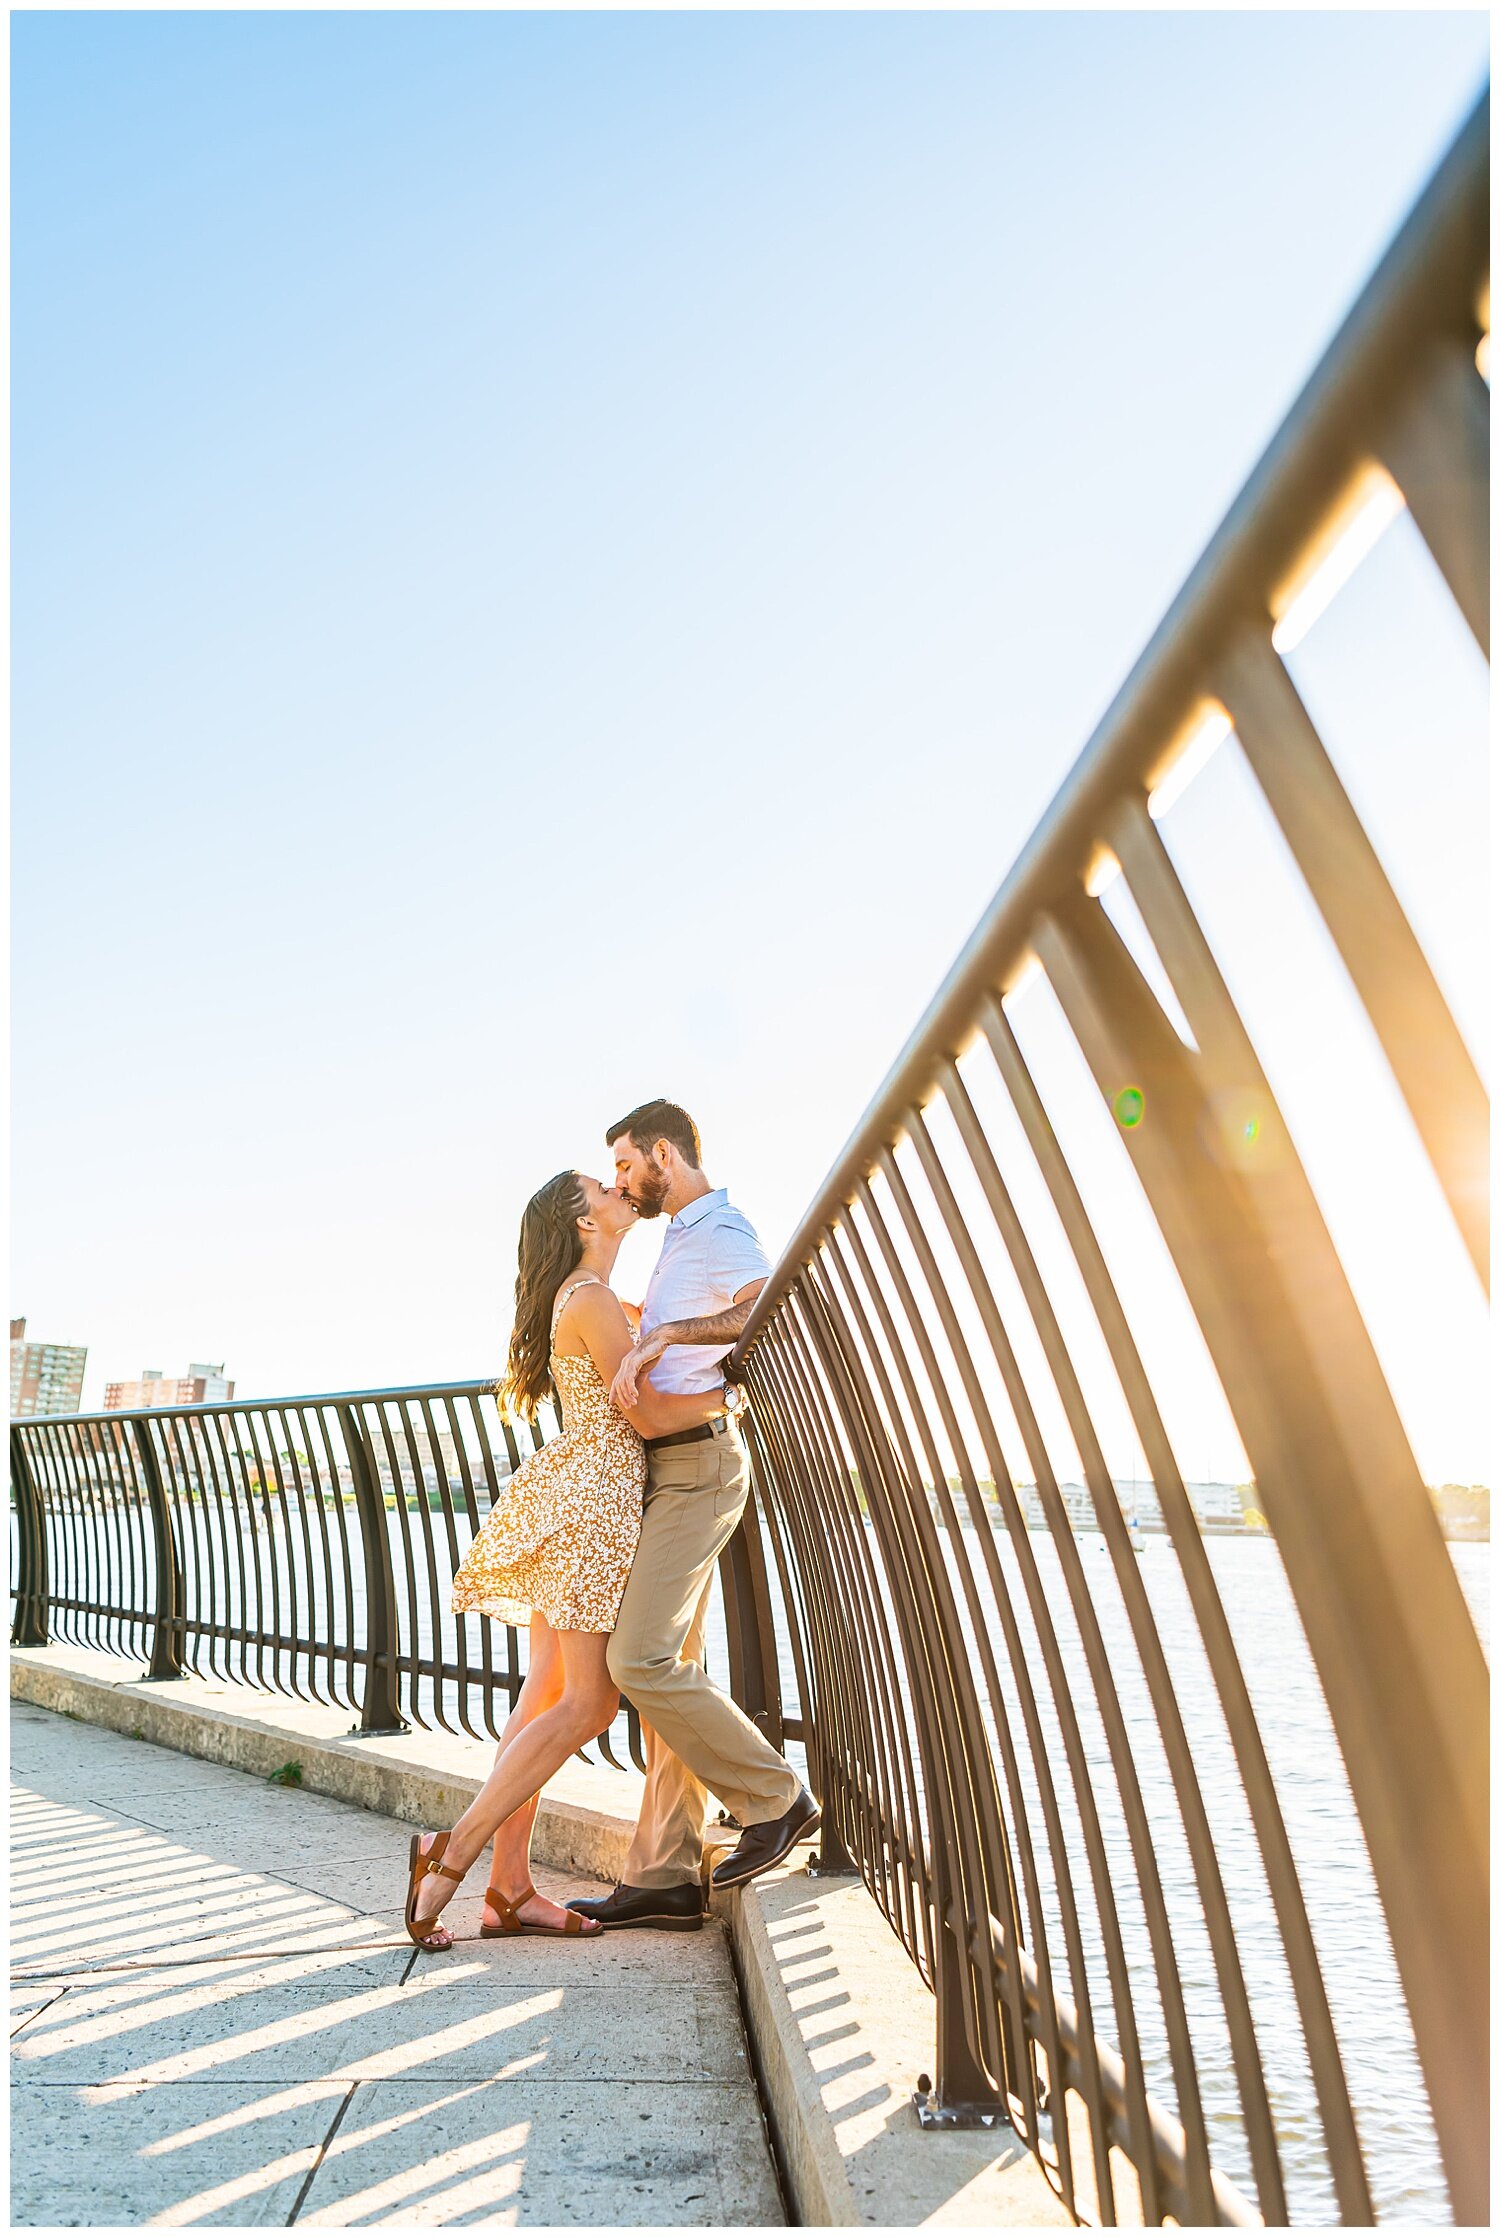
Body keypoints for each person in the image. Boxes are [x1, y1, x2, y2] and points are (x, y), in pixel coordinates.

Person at [403, 1167, 731, 1951]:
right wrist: (730, 1395)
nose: (622, 1190)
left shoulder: (592, 1298)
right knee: (588, 1704)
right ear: (585, 1221)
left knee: (543, 1694)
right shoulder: (587, 1297)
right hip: (591, 1507)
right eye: (604, 1188)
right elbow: (647, 1415)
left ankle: (509, 1890)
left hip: (574, 1495)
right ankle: (451, 1852)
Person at [565, 1098, 819, 1934]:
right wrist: (642, 1326)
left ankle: (777, 1796)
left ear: (663, 1153)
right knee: (671, 1658)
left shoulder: (719, 1228)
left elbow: (768, 1311)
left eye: (627, 1164)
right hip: (674, 1464)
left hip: (700, 1465)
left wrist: (669, 1328)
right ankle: (667, 1873)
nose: (620, 1181)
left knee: (639, 1660)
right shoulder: (682, 1234)